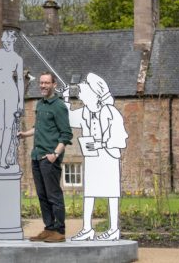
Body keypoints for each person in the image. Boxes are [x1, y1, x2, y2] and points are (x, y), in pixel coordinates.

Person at [64, 73, 128, 241]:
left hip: (108, 157)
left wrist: (101, 144)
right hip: (92, 159)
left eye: (84, 90)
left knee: (112, 193)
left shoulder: (110, 112)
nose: (81, 94)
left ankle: (113, 229)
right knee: (89, 193)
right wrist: (65, 100)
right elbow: (68, 118)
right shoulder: (85, 112)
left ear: (95, 93)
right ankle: (87, 228)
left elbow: (120, 137)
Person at [19, 72, 72, 243]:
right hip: (36, 156)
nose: (43, 86)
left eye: (46, 83)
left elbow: (66, 134)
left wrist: (55, 154)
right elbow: (39, 127)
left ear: (54, 85)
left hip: (49, 158)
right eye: (41, 83)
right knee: (42, 195)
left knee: (53, 195)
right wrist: (24, 134)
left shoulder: (59, 106)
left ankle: (60, 230)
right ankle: (49, 228)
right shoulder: (40, 105)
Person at [0, 30, 25, 169]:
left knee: (8, 127)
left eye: (8, 41)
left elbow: (20, 80)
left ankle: (3, 159)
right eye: (4, 41)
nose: (6, 44)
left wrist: (21, 101)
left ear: (13, 41)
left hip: (11, 93)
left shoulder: (18, 59)